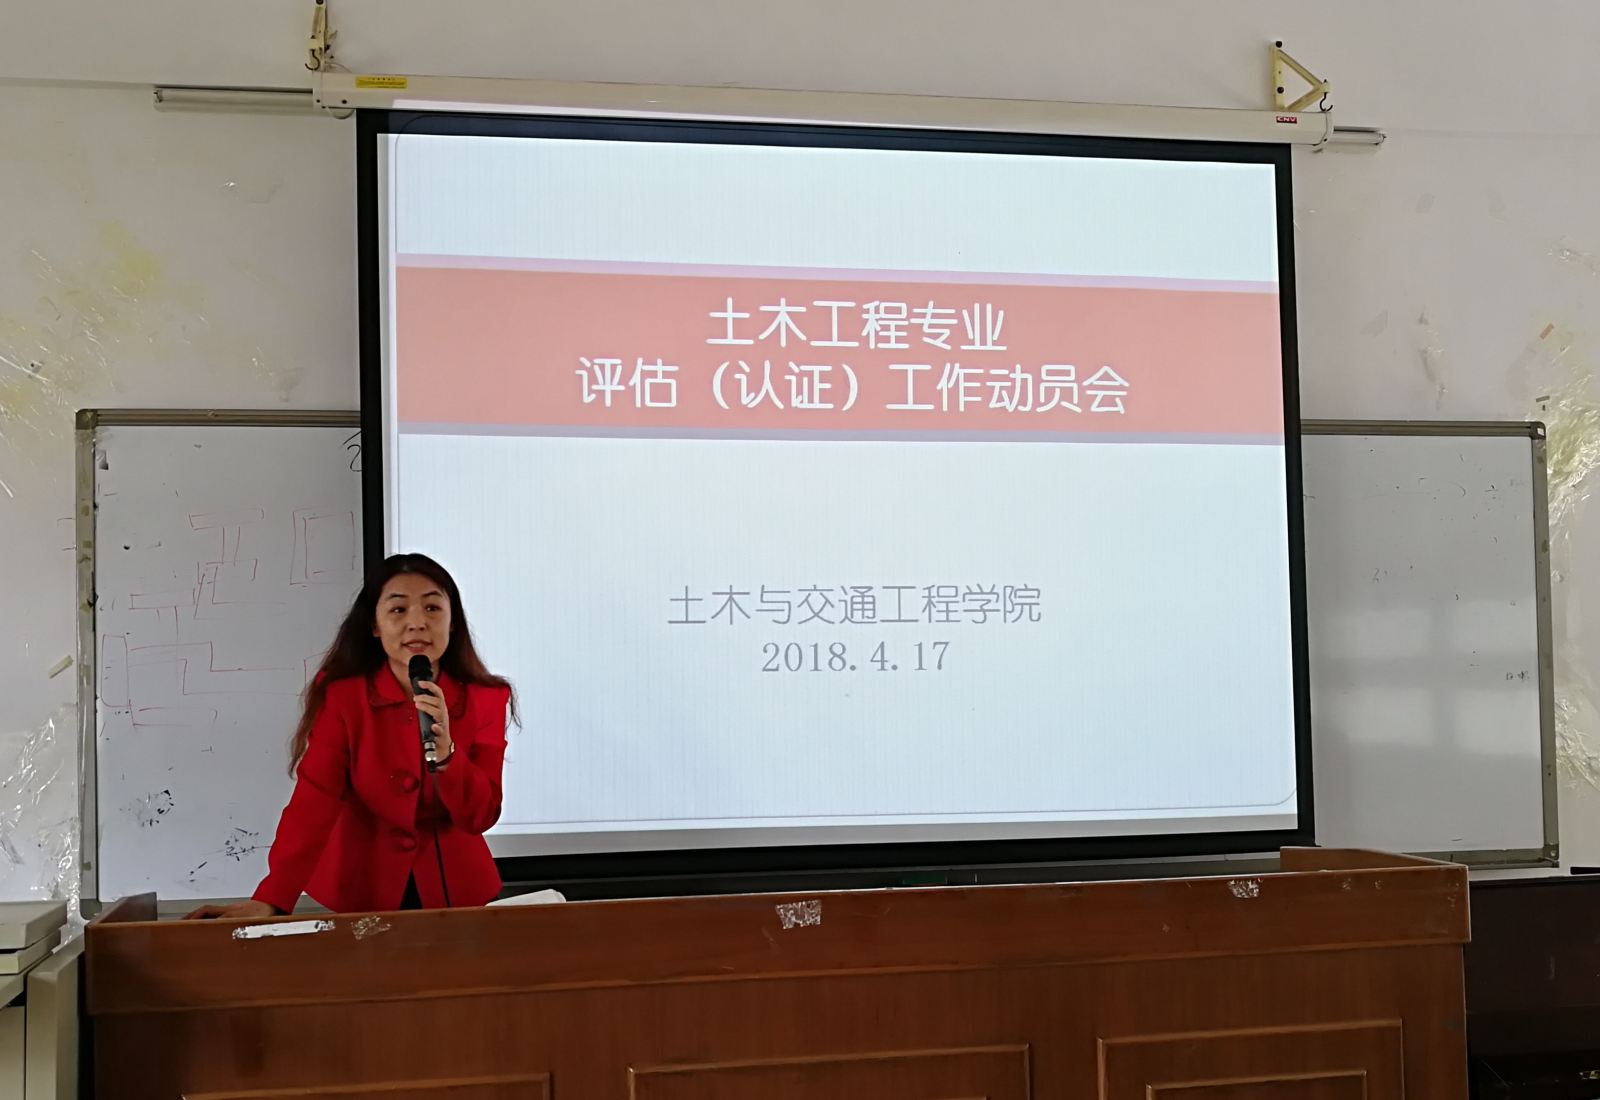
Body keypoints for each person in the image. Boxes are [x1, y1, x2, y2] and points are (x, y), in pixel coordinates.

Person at [185, 553, 516, 918]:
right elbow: (314, 801)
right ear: (374, 625)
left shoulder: (486, 698)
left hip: (458, 892)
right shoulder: (345, 697)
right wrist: (272, 898)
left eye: (433, 608)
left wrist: (449, 757)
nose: (417, 623)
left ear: (453, 623)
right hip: (363, 885)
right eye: (398, 609)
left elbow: (480, 816)